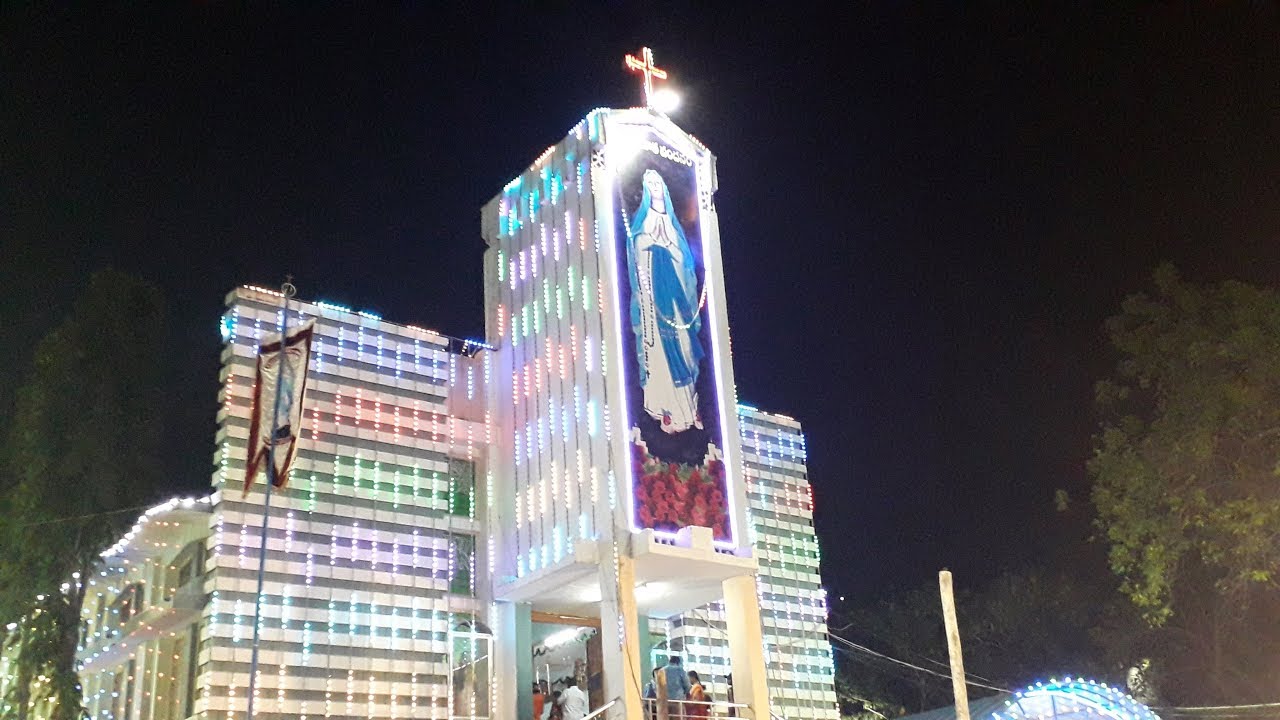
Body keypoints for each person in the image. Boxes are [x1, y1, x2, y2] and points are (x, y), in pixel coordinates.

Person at [626, 168, 705, 434]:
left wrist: (667, 249)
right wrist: (651, 245)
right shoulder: (643, 221)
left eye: (658, 182)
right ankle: (665, 408)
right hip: (655, 304)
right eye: (650, 183)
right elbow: (636, 251)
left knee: (683, 347)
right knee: (658, 352)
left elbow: (685, 260)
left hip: (676, 299)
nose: (655, 187)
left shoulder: (673, 225)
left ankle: (688, 408)